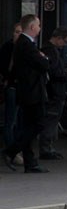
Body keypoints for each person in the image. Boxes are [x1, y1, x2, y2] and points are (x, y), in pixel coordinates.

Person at [2, 15, 50, 173]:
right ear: (32, 27)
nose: (40, 28)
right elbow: (43, 64)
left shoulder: (23, 44)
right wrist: (44, 58)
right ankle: (11, 150)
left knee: (28, 125)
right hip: (32, 91)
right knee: (38, 124)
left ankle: (30, 162)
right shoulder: (26, 45)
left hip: (26, 90)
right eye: (38, 25)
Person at [38, 27, 67, 160]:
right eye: (65, 42)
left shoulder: (48, 50)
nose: (65, 45)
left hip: (53, 91)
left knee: (52, 120)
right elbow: (55, 73)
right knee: (51, 120)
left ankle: (48, 147)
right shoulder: (51, 51)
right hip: (55, 92)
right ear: (58, 38)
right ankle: (46, 148)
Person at [0, 22, 22, 152]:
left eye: (20, 32)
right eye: (16, 32)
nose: (18, 35)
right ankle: (11, 149)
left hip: (22, 88)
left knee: (19, 120)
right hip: (12, 86)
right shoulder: (8, 48)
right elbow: (3, 67)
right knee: (11, 120)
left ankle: (15, 148)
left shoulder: (25, 47)